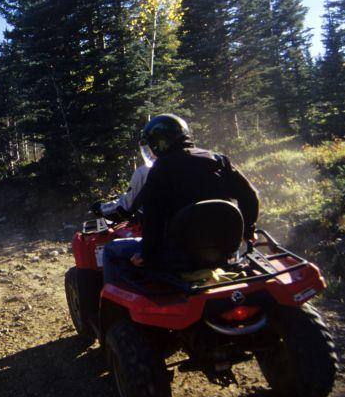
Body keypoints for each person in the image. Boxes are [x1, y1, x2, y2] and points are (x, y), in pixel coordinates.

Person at [101, 114, 259, 283]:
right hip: (224, 251)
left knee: (111, 249)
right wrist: (249, 230)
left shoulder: (161, 170)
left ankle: (109, 308)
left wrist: (145, 254)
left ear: (158, 143)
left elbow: (154, 219)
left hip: (178, 255)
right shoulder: (218, 159)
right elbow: (250, 195)